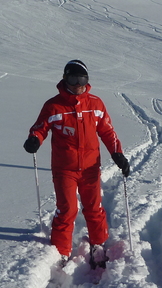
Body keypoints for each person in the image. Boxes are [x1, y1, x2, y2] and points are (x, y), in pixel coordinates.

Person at [23, 60, 130, 260]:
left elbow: (107, 131)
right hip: (65, 169)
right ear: (65, 79)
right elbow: (40, 127)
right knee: (67, 209)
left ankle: (98, 245)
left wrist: (117, 154)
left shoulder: (95, 104)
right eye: (73, 78)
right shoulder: (54, 106)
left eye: (82, 79)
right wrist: (34, 139)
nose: (78, 84)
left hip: (90, 167)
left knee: (94, 207)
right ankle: (61, 253)